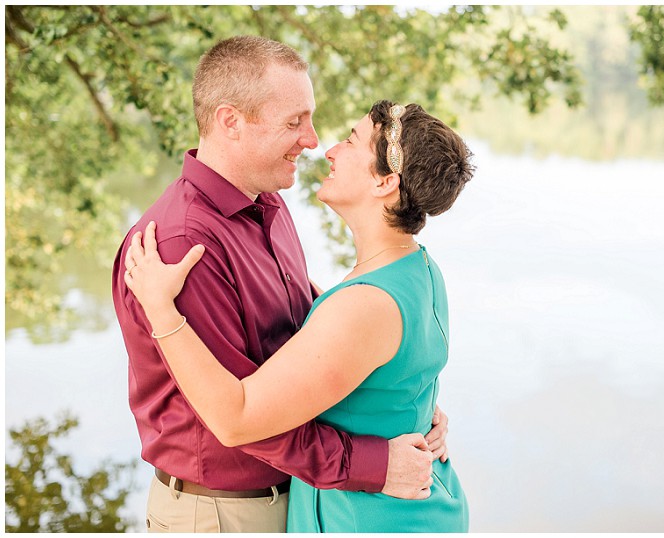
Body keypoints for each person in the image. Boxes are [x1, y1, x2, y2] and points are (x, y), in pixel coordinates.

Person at [111, 37, 449, 533]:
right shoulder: (182, 246)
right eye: (294, 122)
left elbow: (318, 334)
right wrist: (376, 463)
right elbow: (240, 420)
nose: (312, 141)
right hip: (228, 513)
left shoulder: (267, 202)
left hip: (294, 499)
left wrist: (404, 408)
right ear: (231, 121)